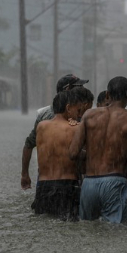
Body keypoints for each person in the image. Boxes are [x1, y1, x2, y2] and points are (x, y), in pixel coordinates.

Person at [68, 76, 127, 223]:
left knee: (87, 231)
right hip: (115, 182)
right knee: (114, 235)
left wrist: (94, 154)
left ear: (107, 95)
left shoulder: (89, 115)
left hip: (89, 184)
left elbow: (73, 153)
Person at [31, 87, 94, 219]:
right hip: (67, 186)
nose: (79, 114)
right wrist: (79, 125)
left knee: (45, 226)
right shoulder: (76, 128)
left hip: (43, 187)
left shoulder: (41, 127)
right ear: (68, 108)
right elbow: (92, 153)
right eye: (77, 110)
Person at [21, 74, 89, 190]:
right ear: (68, 90)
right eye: (79, 87)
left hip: (46, 182)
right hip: (69, 182)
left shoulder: (44, 116)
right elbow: (29, 145)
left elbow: (28, 145)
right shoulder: (52, 116)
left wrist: (25, 174)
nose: (82, 90)